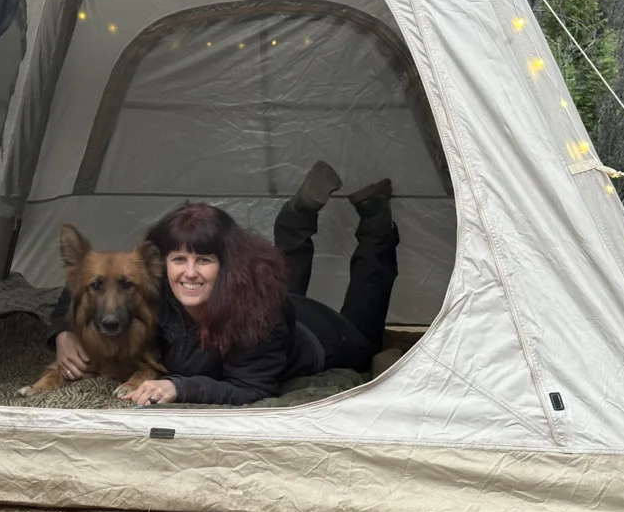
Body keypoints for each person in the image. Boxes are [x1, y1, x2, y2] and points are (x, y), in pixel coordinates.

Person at [47, 161, 400, 406]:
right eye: (179, 259)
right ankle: (297, 215)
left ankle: (376, 221)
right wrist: (63, 333)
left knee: (366, 336)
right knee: (275, 278)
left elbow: (250, 388)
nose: (189, 273)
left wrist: (180, 387)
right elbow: (88, 282)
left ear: (225, 264)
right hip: (273, 303)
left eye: (204, 259)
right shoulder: (157, 286)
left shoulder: (258, 316)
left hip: (326, 337)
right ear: (162, 263)